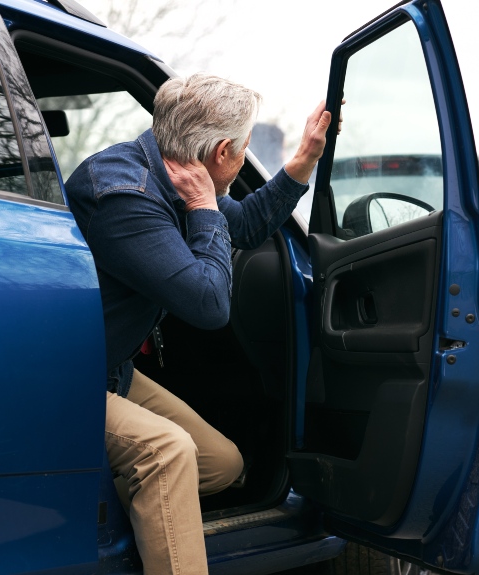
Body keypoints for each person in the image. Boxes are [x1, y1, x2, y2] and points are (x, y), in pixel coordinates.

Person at [65, 74, 333, 575]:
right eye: (245, 149)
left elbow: (246, 225)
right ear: (223, 151)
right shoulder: (125, 194)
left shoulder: (173, 170)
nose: (243, 156)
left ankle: (118, 519)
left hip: (111, 369)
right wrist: (205, 208)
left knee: (222, 464)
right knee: (169, 452)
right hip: (67, 376)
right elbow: (210, 305)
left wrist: (303, 163)